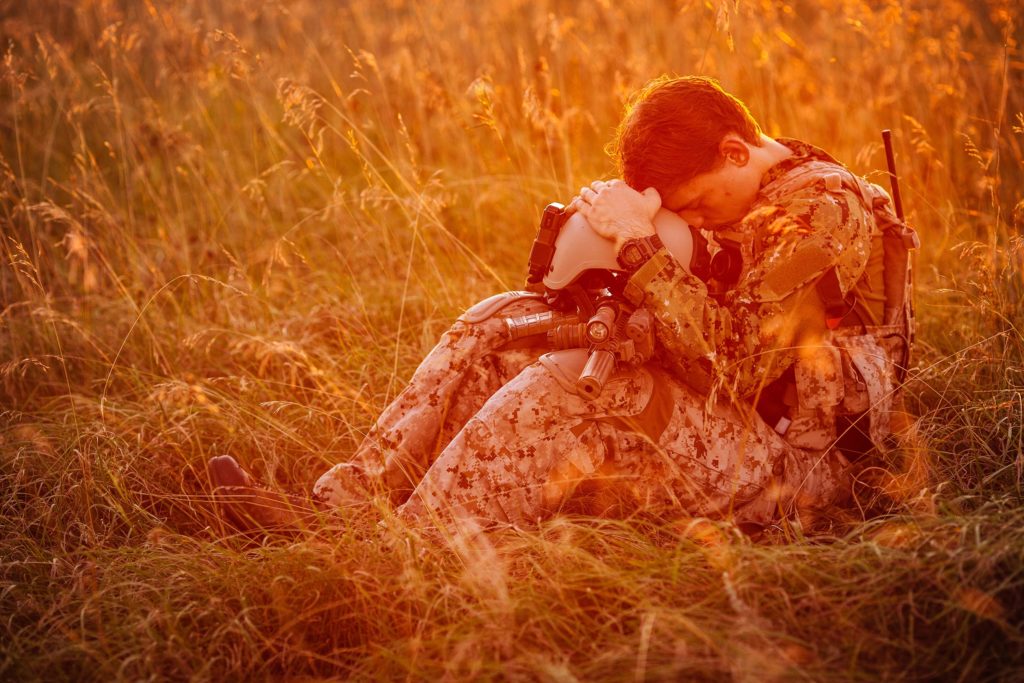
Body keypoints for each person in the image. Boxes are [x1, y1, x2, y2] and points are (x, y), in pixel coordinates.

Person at [209, 75, 915, 535]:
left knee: (588, 378)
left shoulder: (823, 211)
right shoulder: (745, 191)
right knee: (501, 324)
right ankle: (341, 512)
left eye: (696, 205)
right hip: (736, 425)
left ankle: (394, 558)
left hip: (807, 474)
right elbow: (690, 314)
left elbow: (736, 365)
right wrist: (592, 256)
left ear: (736, 151)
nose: (696, 224)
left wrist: (643, 250)